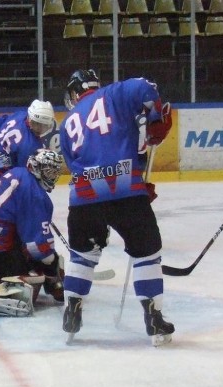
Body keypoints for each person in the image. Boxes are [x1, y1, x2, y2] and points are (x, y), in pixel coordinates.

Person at [58, 68, 174, 346]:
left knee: (82, 255)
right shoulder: (115, 94)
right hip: (124, 189)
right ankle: (153, 317)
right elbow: (146, 85)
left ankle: (72, 309)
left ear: (76, 91)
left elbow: (75, 163)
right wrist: (155, 116)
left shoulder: (68, 121)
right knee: (147, 253)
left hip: (84, 194)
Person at [0, 149, 65, 317]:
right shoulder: (37, 196)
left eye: (54, 172)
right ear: (36, 167)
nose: (52, 177)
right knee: (34, 279)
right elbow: (37, 247)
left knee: (19, 245)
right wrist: (51, 267)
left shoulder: (17, 171)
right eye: (48, 171)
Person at [0, 99, 56, 184]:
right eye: (36, 124)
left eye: (44, 126)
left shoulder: (20, 114)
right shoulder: (30, 145)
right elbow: (23, 175)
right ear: (30, 119)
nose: (40, 129)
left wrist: (3, 145)